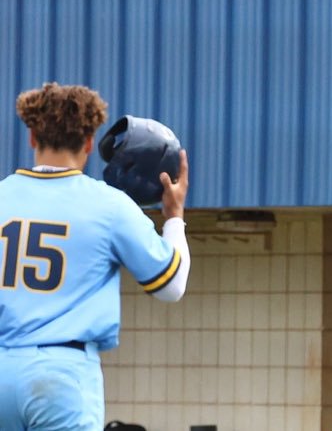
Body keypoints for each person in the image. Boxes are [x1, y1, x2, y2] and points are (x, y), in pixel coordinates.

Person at [0, 83, 192, 429]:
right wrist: (174, 215)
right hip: (62, 375)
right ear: (89, 143)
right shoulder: (108, 205)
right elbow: (171, 286)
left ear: (32, 137)